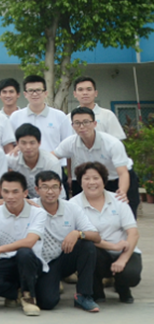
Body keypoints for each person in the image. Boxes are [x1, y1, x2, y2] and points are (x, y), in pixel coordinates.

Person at [29, 170, 101, 312]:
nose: (50, 192)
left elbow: (96, 236)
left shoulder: (71, 208)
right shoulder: (30, 207)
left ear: (61, 189)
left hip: (63, 258)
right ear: (37, 190)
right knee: (47, 302)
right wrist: (23, 200)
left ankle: (84, 296)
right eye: (45, 187)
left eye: (54, 187)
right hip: (40, 262)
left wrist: (77, 233)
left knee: (87, 246)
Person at [72, 162, 142, 305]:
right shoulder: (73, 204)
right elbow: (80, 235)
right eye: (86, 178)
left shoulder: (118, 200)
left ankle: (123, 287)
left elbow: (133, 233)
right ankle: (96, 290)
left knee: (131, 275)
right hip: (97, 251)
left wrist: (122, 259)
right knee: (88, 249)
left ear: (104, 181)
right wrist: (112, 246)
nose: (92, 182)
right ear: (80, 182)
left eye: (96, 178)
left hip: (123, 249)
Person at [0, 171, 46, 316]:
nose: (10, 196)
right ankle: (17, 293)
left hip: (30, 261)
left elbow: (29, 242)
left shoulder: (38, 213)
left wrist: (0, 249)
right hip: (5, 260)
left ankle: (29, 298)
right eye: (6, 191)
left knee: (24, 252)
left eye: (15, 192)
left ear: (25, 193)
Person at [54, 107, 137, 216]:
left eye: (86, 122)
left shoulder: (112, 143)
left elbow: (123, 173)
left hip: (117, 179)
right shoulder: (70, 142)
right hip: (93, 180)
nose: (82, 126)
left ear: (94, 124)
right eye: (77, 123)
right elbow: (51, 157)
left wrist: (122, 192)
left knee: (124, 214)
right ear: (72, 126)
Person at [9, 75, 70, 152]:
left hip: (53, 159)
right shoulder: (15, 117)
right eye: (30, 90)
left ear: (46, 93)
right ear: (25, 94)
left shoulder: (60, 116)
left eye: (38, 90)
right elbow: (11, 144)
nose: (35, 94)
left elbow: (67, 144)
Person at [7, 124, 64, 199]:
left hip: (50, 199)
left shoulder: (51, 162)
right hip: (23, 199)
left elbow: (56, 190)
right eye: (23, 143)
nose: (28, 147)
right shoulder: (11, 159)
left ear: (39, 143)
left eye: (32, 143)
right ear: (17, 143)